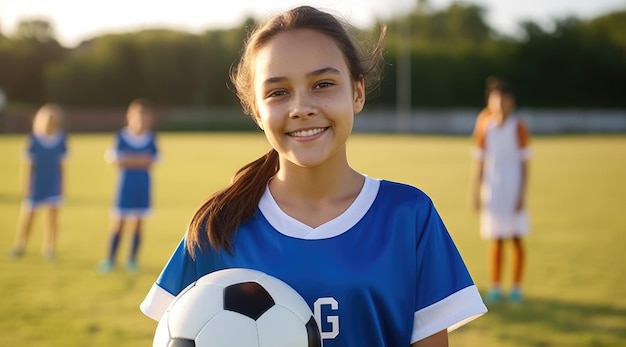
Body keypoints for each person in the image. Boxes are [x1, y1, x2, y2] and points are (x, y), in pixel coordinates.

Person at [141, 6, 486, 346]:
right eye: (278, 92)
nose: (301, 107)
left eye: (322, 84)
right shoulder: (220, 225)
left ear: (357, 92)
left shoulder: (408, 215)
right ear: (257, 111)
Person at [470, 76, 532, 304]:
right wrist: (475, 192)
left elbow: (525, 164)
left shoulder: (519, 127)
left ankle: (516, 286)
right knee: (495, 238)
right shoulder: (485, 125)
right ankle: (495, 286)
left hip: (513, 189)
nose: (500, 104)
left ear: (511, 102)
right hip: (493, 189)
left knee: (516, 238)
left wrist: (521, 195)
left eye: (504, 100)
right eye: (496, 99)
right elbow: (479, 161)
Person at [99, 98, 159, 273]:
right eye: (136, 117)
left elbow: (153, 160)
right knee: (118, 223)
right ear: (129, 117)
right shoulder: (121, 137)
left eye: (143, 117)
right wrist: (141, 159)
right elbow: (115, 160)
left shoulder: (151, 138)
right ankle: (110, 259)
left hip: (143, 186)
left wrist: (129, 159)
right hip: (124, 186)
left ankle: (132, 260)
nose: (140, 120)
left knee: (138, 223)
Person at [11, 103, 68, 261]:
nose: (50, 122)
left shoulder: (60, 139)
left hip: (53, 182)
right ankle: (20, 245)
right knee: (28, 215)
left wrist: (61, 184)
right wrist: (27, 185)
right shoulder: (34, 140)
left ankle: (49, 248)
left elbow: (61, 165)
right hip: (37, 183)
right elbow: (29, 166)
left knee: (52, 217)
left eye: (53, 119)